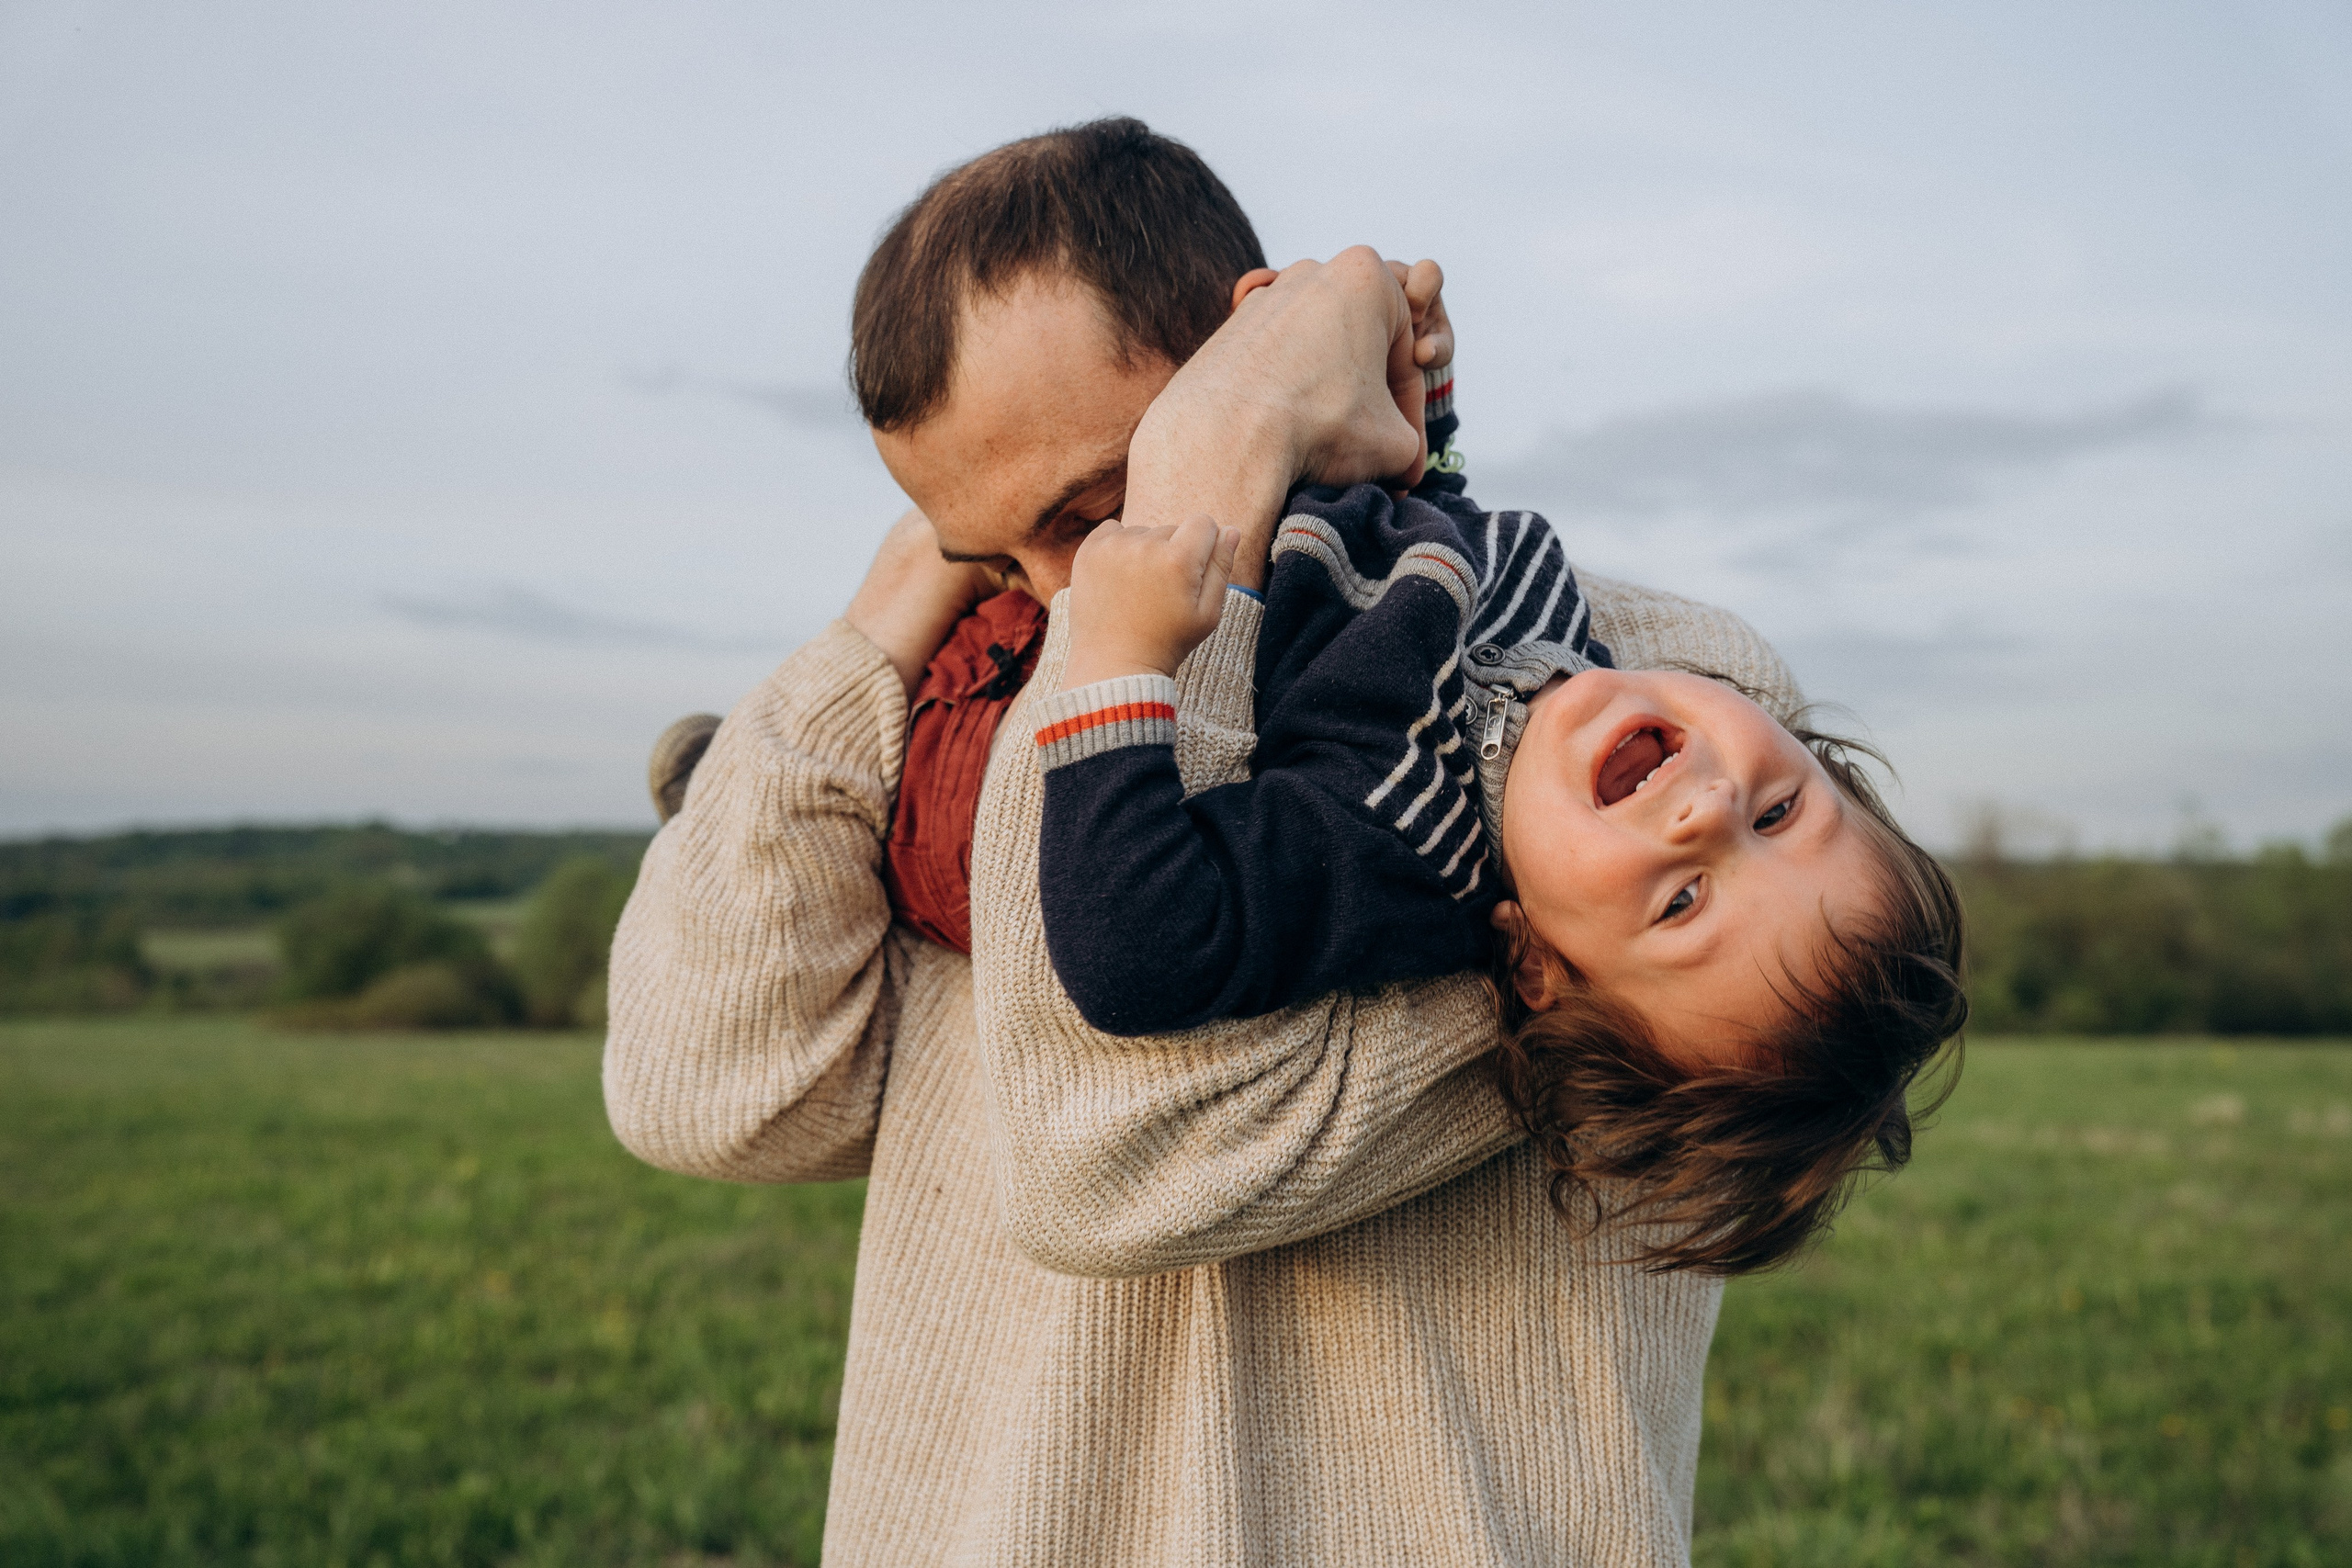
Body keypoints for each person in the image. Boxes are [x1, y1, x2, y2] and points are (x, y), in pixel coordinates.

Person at [605, 118, 1850, 1565]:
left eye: (1086, 509)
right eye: (992, 558)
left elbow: (1104, 1159)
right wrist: (882, 627)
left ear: (1247, 356)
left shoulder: (1660, 704)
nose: (1056, 596)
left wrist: (1213, 479)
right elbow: (709, 1093)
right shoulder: (1009, 682)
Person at [1032, 396, 1965, 1273]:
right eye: (1778, 812)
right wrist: (1418, 408)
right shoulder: (1567, 633)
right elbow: (1428, 517)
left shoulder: (1391, 836)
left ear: (1534, 965)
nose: (1712, 812)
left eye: (1682, 902)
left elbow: (1142, 949)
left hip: (1081, 564)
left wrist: (1119, 658)